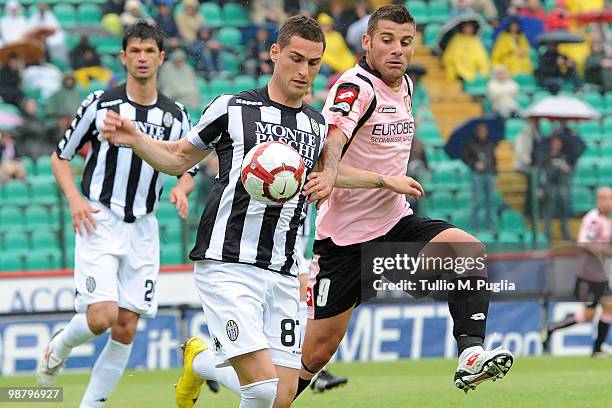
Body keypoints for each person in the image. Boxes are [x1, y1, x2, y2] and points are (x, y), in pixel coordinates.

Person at [99, 15, 339, 408]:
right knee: (261, 388)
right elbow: (178, 158)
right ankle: (204, 361)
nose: (304, 71)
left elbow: (329, 174)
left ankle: (202, 360)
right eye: (296, 58)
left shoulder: (316, 125)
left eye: (313, 63)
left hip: (283, 270)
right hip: (228, 263)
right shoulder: (231, 107)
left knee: (280, 397)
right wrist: (136, 139)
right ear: (274, 53)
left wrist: (383, 181)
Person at [294, 5, 513, 400]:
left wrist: (389, 185)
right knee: (316, 354)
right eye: (387, 40)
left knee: (467, 251)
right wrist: (370, 178)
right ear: (367, 42)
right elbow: (332, 145)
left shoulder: (407, 86)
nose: (397, 49)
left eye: (406, 42)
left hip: (394, 224)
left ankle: (470, 354)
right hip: (344, 244)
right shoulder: (354, 87)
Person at [36, 22, 197, 407]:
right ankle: (61, 343)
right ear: (123, 57)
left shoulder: (176, 116)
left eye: (149, 52)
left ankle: (90, 404)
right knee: (102, 316)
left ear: (161, 57)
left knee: (126, 327)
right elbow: (60, 157)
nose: (142, 58)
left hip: (143, 227)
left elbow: (186, 169)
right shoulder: (100, 104)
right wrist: (74, 199)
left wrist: (180, 188)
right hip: (100, 219)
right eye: (135, 51)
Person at [542, 187, 612, 357]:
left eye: (610, 198)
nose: (608, 202)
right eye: (605, 198)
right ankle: (551, 328)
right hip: (589, 277)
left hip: (600, 276)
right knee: (589, 315)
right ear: (598, 201)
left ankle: (597, 349)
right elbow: (584, 243)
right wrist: (607, 251)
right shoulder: (594, 220)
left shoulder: (605, 219)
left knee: (609, 308)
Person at [462, 123, 498, 232]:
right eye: (481, 131)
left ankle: (490, 226)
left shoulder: (490, 144)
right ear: (477, 132)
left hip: (488, 174)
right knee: (477, 201)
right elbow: (465, 158)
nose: (483, 133)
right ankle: (476, 227)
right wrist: (475, 164)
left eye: (484, 130)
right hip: (476, 174)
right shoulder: (470, 144)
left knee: (490, 201)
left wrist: (495, 173)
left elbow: (494, 160)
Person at [538, 135, 572, 241]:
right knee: (549, 210)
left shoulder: (564, 156)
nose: (556, 145)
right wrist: (541, 188)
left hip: (561, 186)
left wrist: (563, 166)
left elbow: (568, 170)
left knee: (564, 209)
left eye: (558, 142)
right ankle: (547, 234)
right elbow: (541, 173)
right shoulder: (545, 156)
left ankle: (565, 233)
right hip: (549, 186)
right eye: (554, 142)